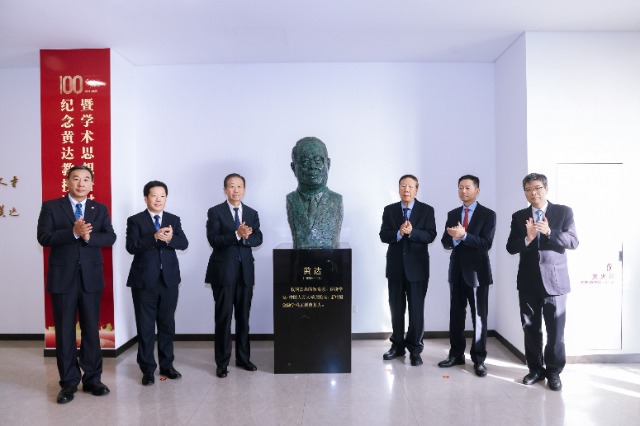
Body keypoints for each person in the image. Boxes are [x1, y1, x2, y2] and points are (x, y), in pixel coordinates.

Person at [36, 165, 116, 404]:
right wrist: (71, 232)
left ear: (92, 184)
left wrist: (89, 237)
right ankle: (69, 382)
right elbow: (43, 237)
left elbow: (110, 236)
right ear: (67, 182)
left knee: (91, 329)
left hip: (91, 278)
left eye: (86, 179)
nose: (81, 183)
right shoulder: (51, 207)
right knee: (64, 331)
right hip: (63, 279)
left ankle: (93, 379)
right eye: (76, 179)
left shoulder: (99, 209)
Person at [506, 172, 578, 391]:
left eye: (537, 188)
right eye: (528, 190)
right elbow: (510, 247)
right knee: (530, 328)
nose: (533, 193)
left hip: (555, 282)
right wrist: (527, 238)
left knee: (555, 331)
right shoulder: (519, 216)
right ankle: (535, 369)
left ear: (546, 189)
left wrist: (549, 232)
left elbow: (573, 241)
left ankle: (553, 372)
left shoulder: (563, 212)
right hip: (528, 282)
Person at [125, 180, 189, 386]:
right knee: (145, 327)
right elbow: (131, 246)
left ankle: (167, 366)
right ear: (146, 198)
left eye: (162, 196)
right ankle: (147, 369)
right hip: (143, 281)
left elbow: (184, 243)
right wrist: (153, 237)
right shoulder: (135, 220)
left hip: (169, 281)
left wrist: (170, 239)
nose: (158, 199)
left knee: (167, 325)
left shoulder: (173, 219)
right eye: (154, 195)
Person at [205, 173, 263, 378]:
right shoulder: (215, 212)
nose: (236, 190)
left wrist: (246, 237)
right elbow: (213, 239)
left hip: (245, 273)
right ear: (225, 190)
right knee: (223, 318)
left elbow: (258, 238)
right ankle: (222, 363)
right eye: (231, 186)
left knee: (243, 318)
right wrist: (236, 234)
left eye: (239, 186)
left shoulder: (252, 213)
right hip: (223, 273)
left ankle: (243, 359)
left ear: (244, 190)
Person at [438, 175, 496, 377]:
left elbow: (486, 243)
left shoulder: (488, 214)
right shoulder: (453, 213)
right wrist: (454, 239)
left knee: (479, 318)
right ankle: (456, 355)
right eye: (460, 187)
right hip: (456, 272)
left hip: (478, 274)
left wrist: (464, 236)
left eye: (468, 187)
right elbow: (445, 242)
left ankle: (479, 360)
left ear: (477, 191)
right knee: (456, 316)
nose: (463, 191)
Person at [379, 174, 437, 366]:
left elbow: (431, 235)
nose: (406, 190)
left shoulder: (426, 210)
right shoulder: (389, 210)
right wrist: (398, 233)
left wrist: (412, 233)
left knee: (416, 310)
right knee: (396, 309)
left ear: (416, 190)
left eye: (410, 187)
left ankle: (415, 349)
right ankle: (397, 346)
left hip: (417, 269)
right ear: (399, 189)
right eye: (403, 186)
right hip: (395, 268)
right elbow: (383, 235)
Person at [286, 136, 343, 248]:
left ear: (328, 164)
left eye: (318, 161)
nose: (312, 166)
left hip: (329, 256)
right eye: (305, 162)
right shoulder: (291, 200)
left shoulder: (336, 200)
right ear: (293, 167)